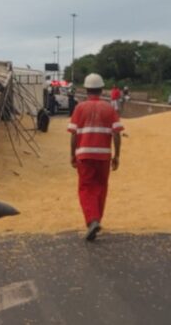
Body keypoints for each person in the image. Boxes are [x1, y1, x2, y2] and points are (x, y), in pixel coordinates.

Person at [68, 73, 123, 241]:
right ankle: (97, 218)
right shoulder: (109, 108)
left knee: (86, 188)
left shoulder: (80, 108)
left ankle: (92, 220)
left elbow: (74, 135)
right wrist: (117, 155)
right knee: (101, 187)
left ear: (86, 90)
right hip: (103, 157)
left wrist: (72, 154)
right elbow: (116, 134)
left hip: (84, 155)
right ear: (101, 89)